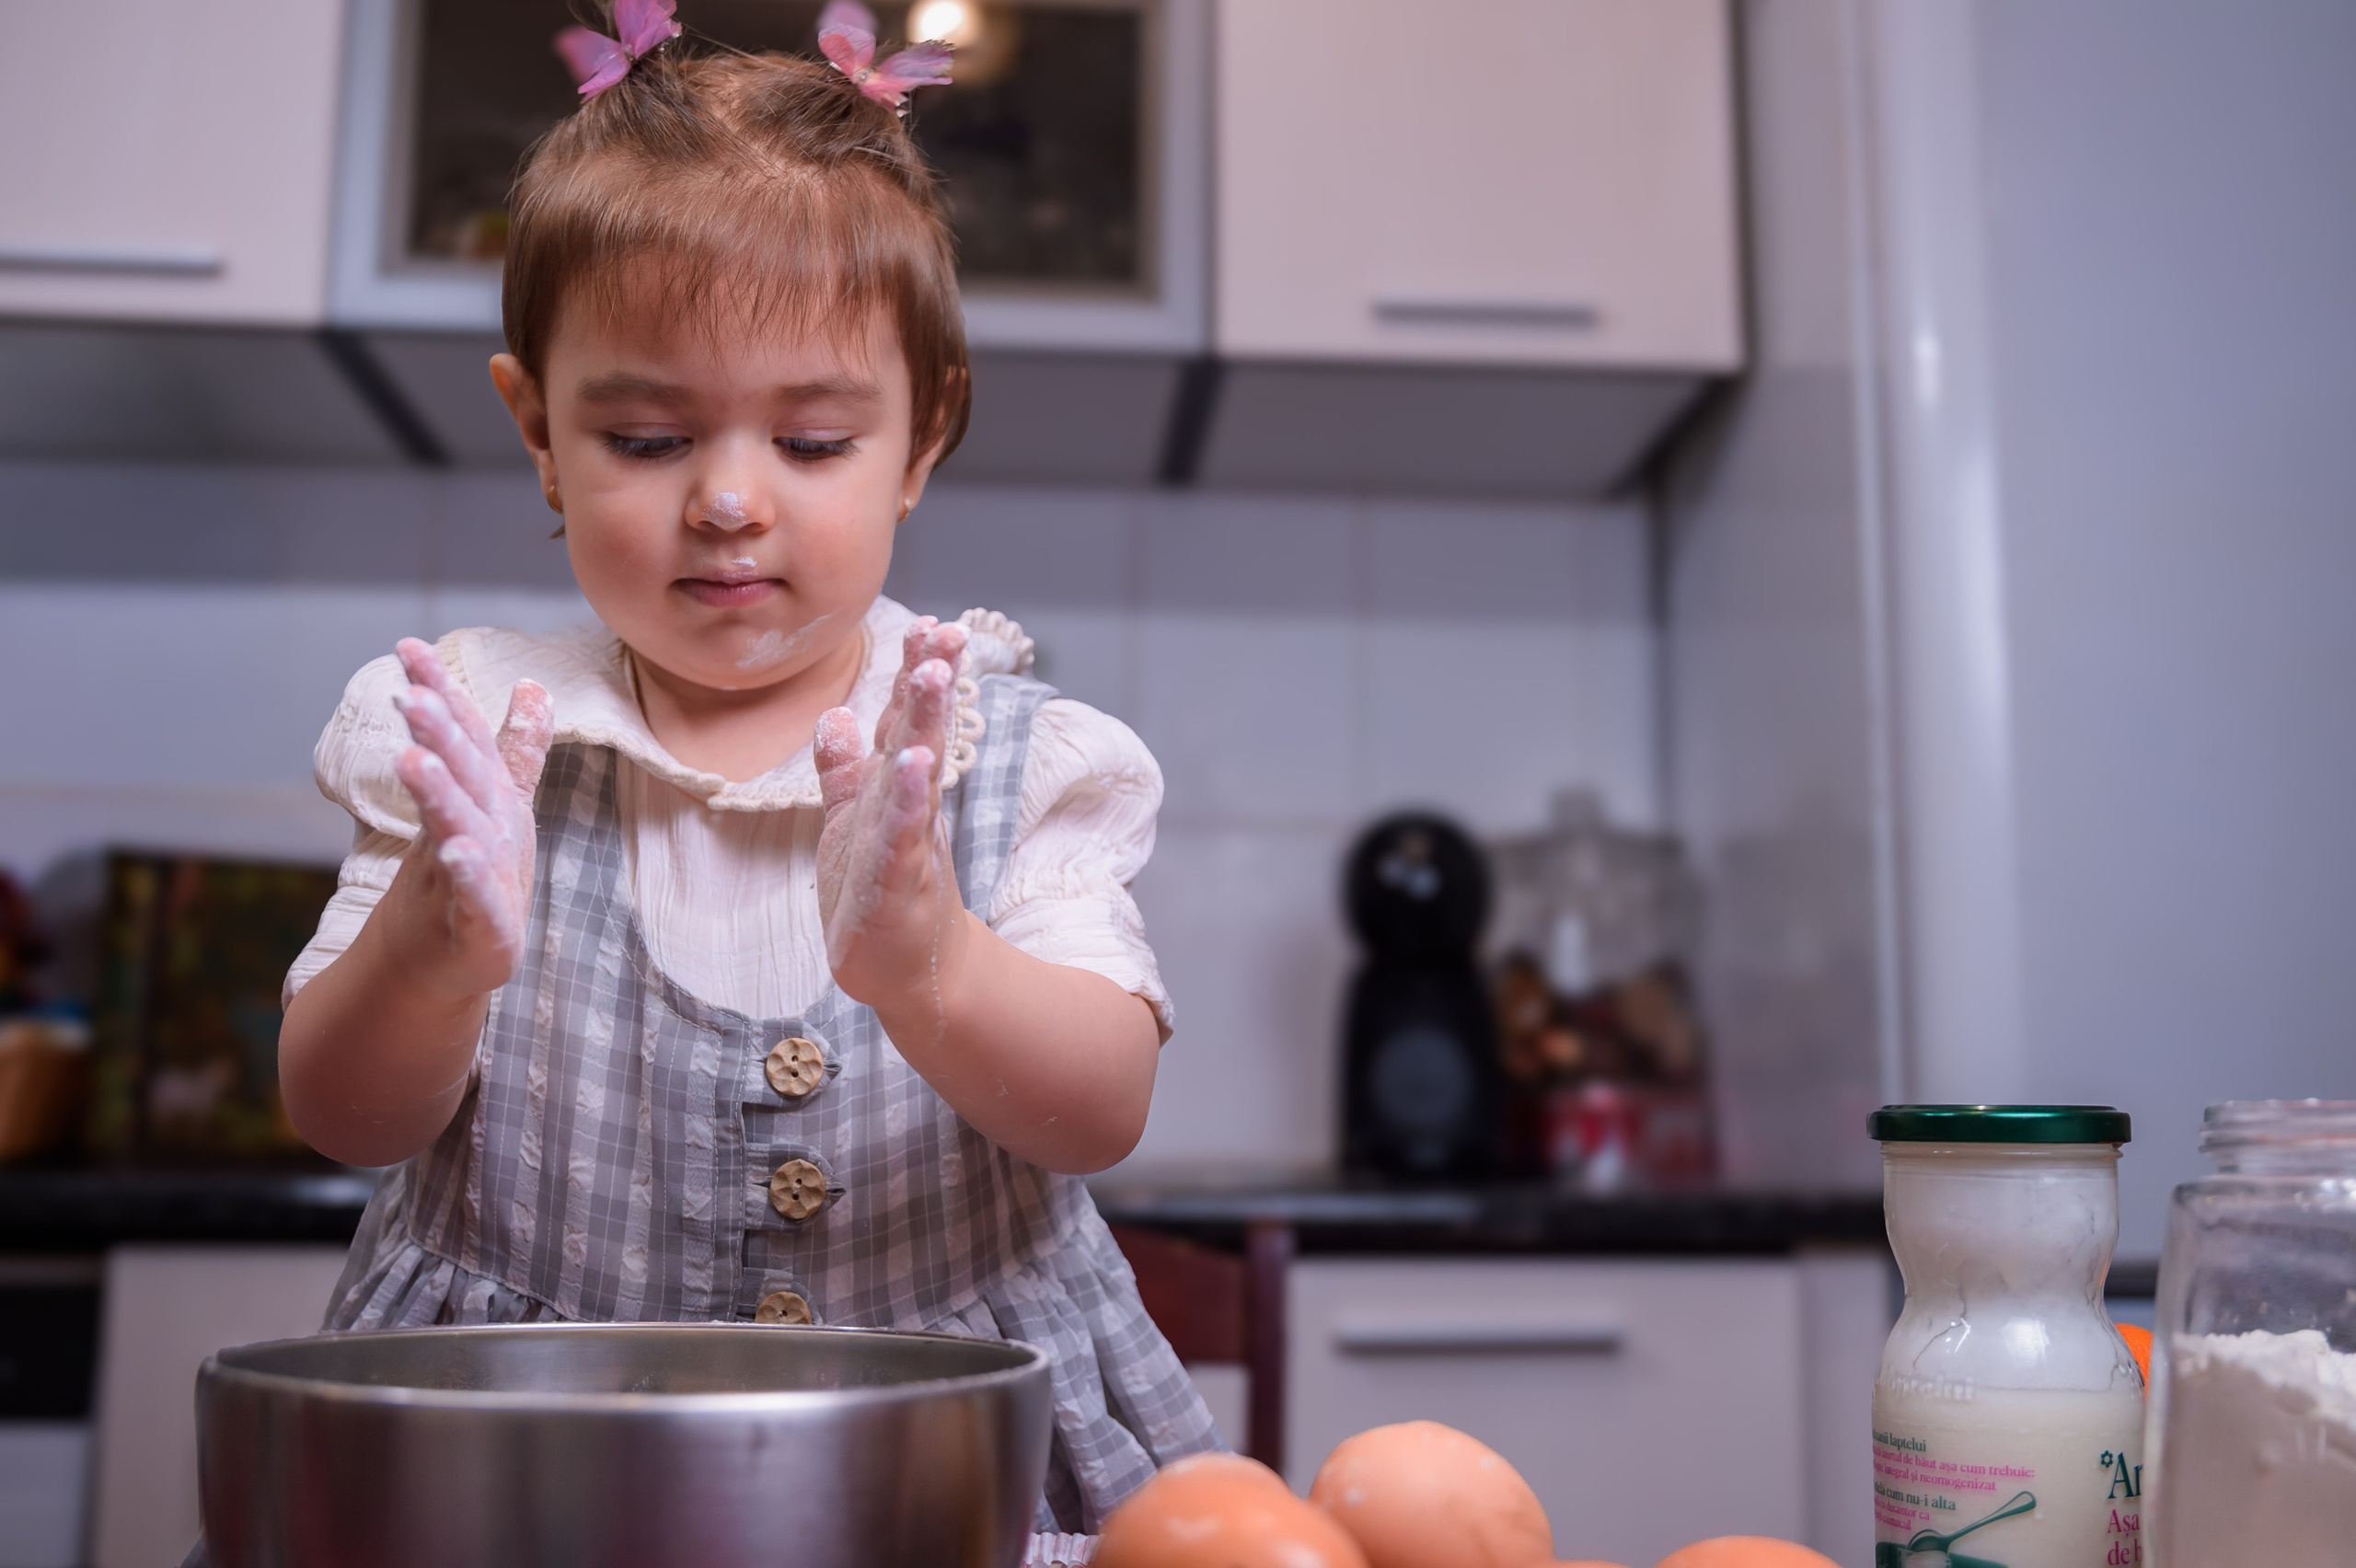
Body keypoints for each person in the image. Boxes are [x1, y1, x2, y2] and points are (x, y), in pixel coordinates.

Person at [276, 2, 1218, 1528]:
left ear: (922, 439)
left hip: (940, 1480)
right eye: (648, 441)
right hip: (528, 1482)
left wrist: (931, 963)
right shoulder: (473, 738)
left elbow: (1101, 1111)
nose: (727, 501)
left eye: (813, 442)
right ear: (538, 429)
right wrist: (428, 957)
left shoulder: (1006, 752)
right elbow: (342, 1118)